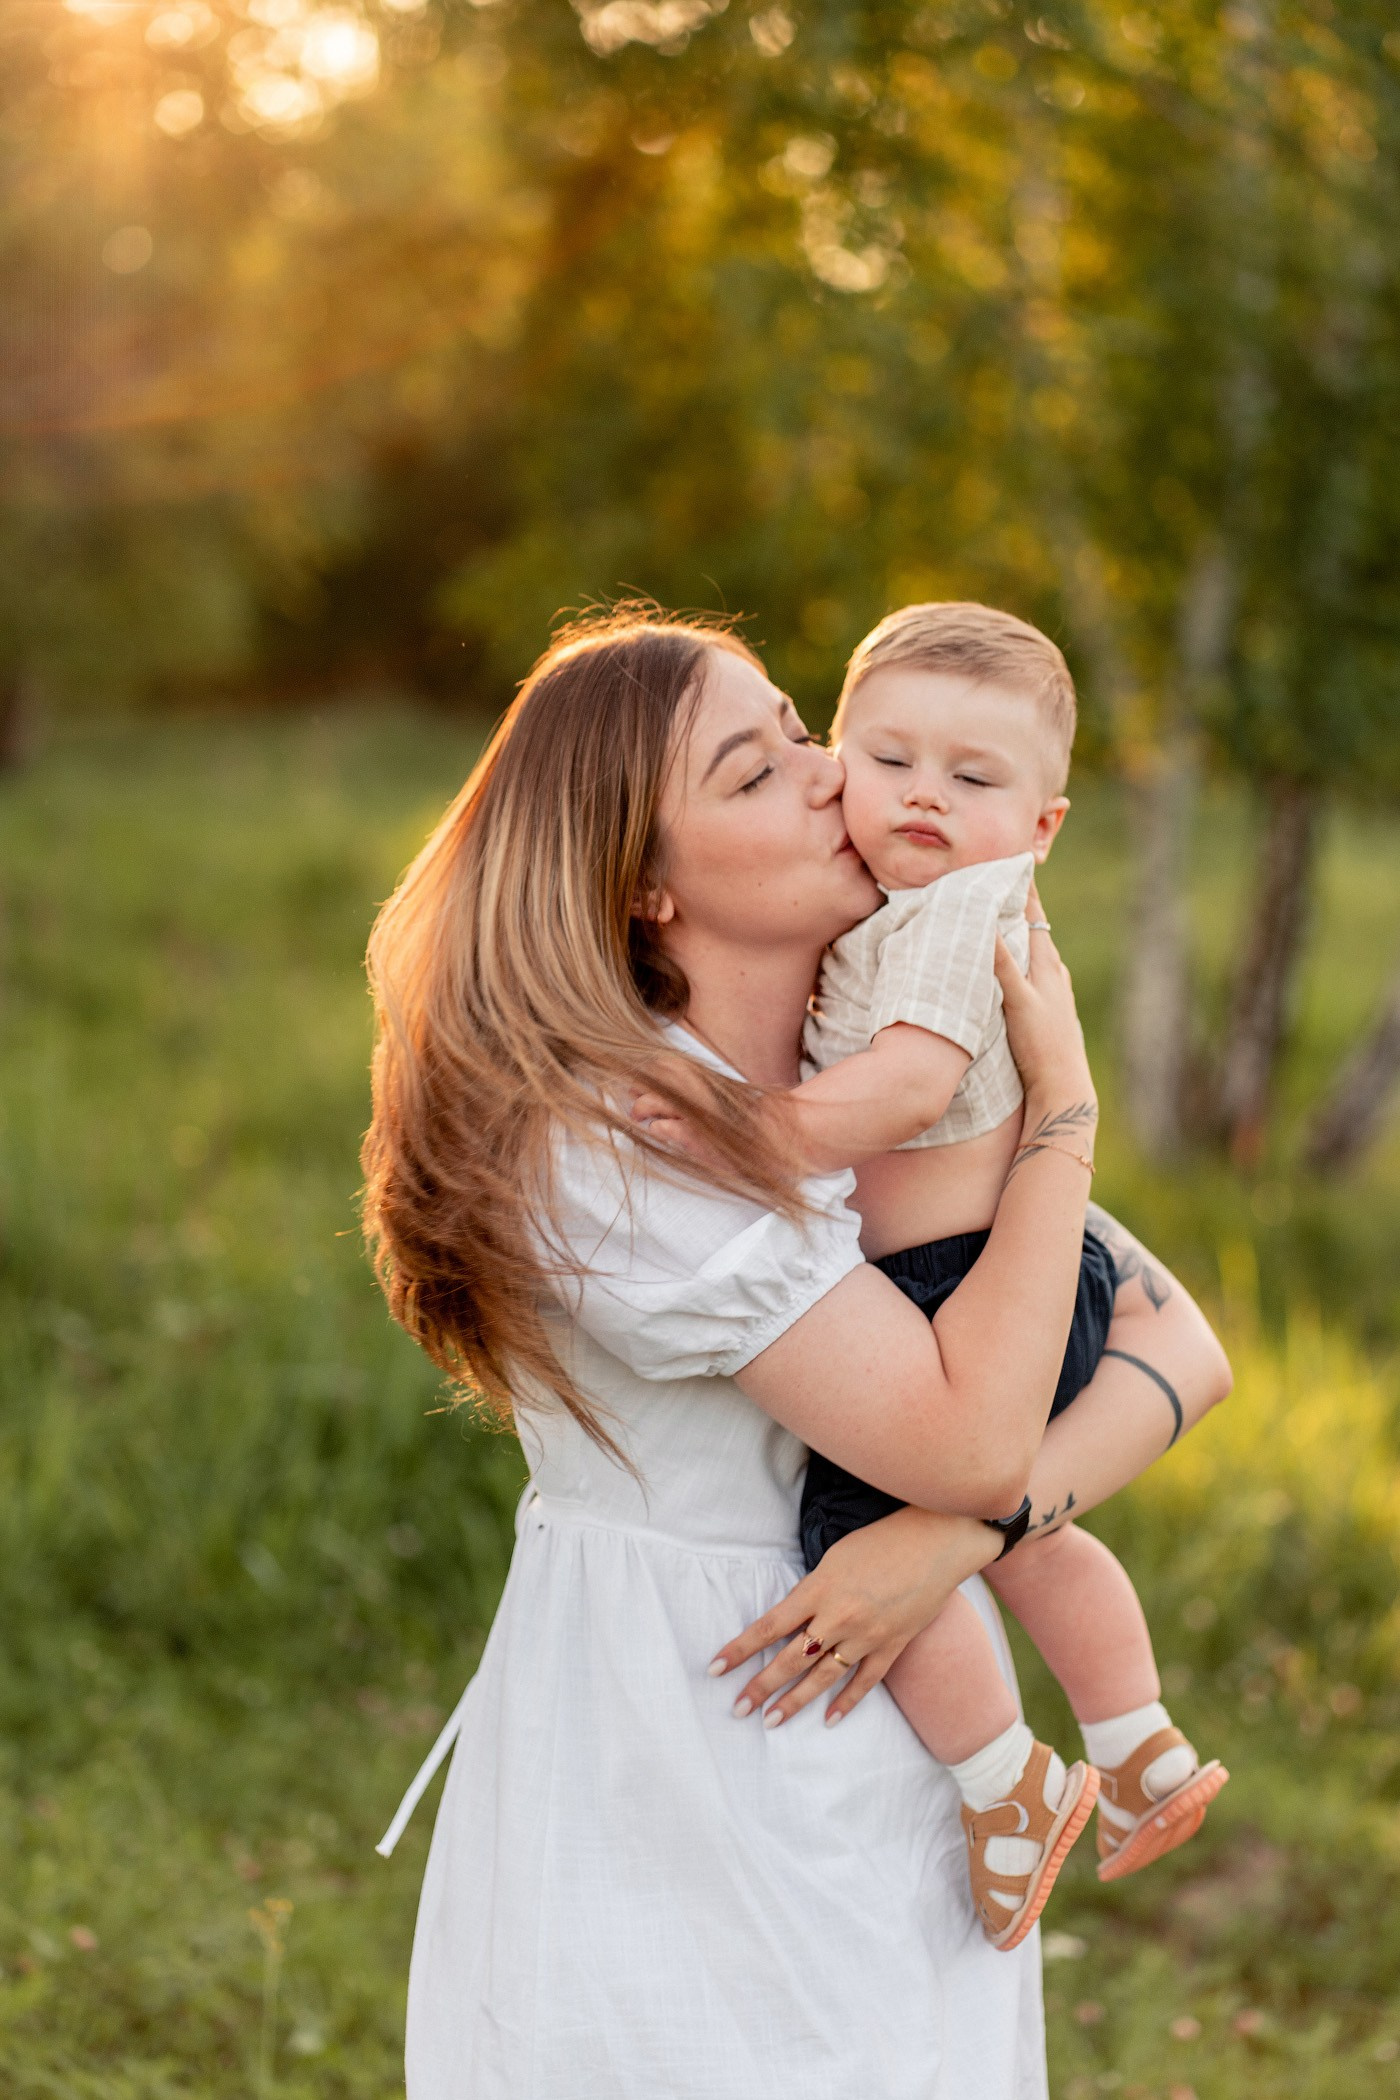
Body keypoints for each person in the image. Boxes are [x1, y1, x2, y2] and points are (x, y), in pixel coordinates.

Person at [362, 607, 1230, 2100]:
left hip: (909, 1716)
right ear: (645, 887)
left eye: (802, 731)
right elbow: (970, 1433)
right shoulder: (624, 1139)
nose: (839, 779)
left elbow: (1177, 1343)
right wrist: (1066, 1119)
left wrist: (953, 1544)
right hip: (697, 1728)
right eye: (755, 772)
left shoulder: (857, 1075)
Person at [636, 603, 1231, 1951]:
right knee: (1039, 1547)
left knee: (856, 1536)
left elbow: (905, 1086)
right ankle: (1135, 1740)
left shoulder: (967, 914)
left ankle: (1004, 1776)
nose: (919, 796)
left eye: (972, 779)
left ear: (1041, 825)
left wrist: (755, 1135)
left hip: (965, 1282)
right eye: (883, 756)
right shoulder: (908, 914)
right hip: (1007, 1270)